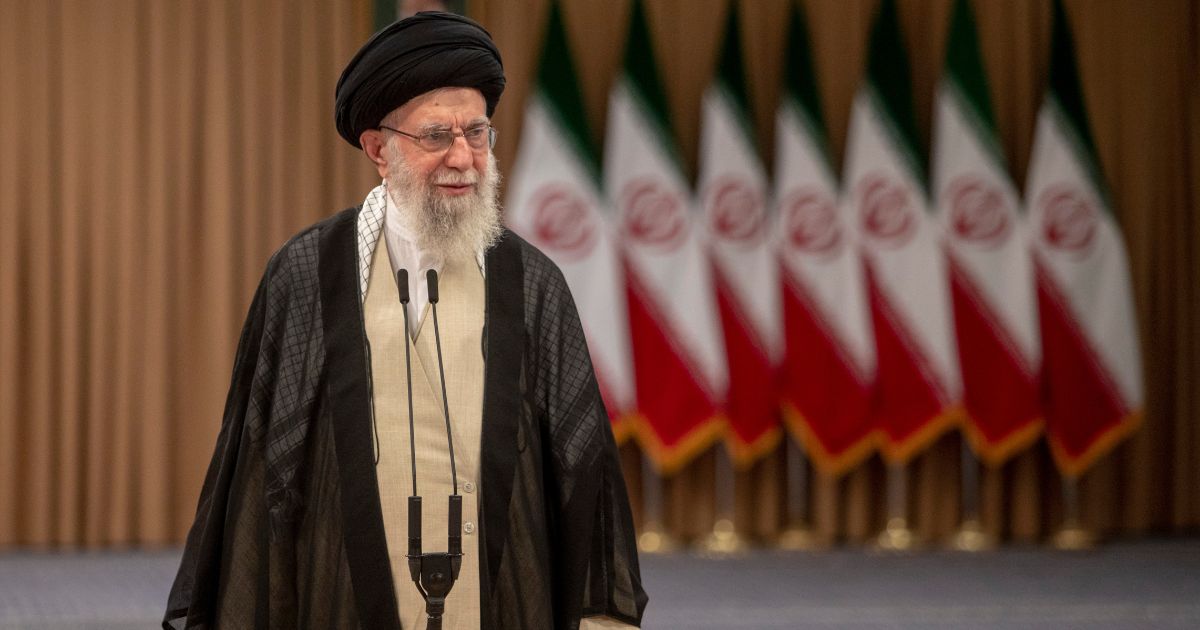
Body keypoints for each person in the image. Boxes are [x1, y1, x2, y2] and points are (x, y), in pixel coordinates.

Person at [164, 12, 647, 630]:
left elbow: (585, 469)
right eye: (436, 136)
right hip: (341, 600)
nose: (463, 157)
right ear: (378, 149)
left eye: (477, 133)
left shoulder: (531, 283)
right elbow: (262, 466)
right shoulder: (307, 275)